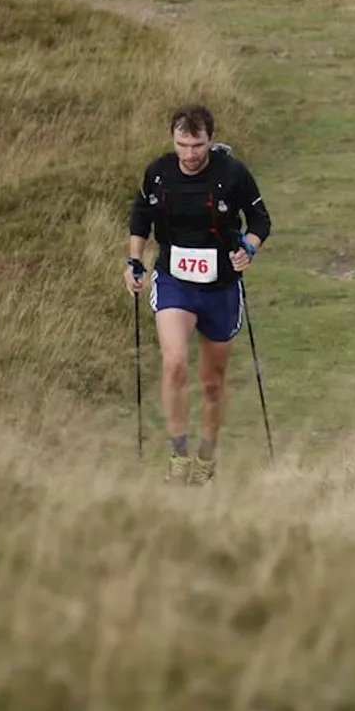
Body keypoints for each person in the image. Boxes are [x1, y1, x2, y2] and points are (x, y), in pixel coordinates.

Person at [123, 103, 272, 484]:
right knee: (174, 364)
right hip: (175, 281)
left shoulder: (233, 173)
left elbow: (260, 220)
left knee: (211, 381)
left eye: (198, 145)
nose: (189, 154)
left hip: (220, 286)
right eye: (182, 144)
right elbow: (140, 216)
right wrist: (134, 261)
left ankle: (207, 457)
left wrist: (248, 249)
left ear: (210, 140)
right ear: (173, 140)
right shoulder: (158, 173)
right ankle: (178, 456)